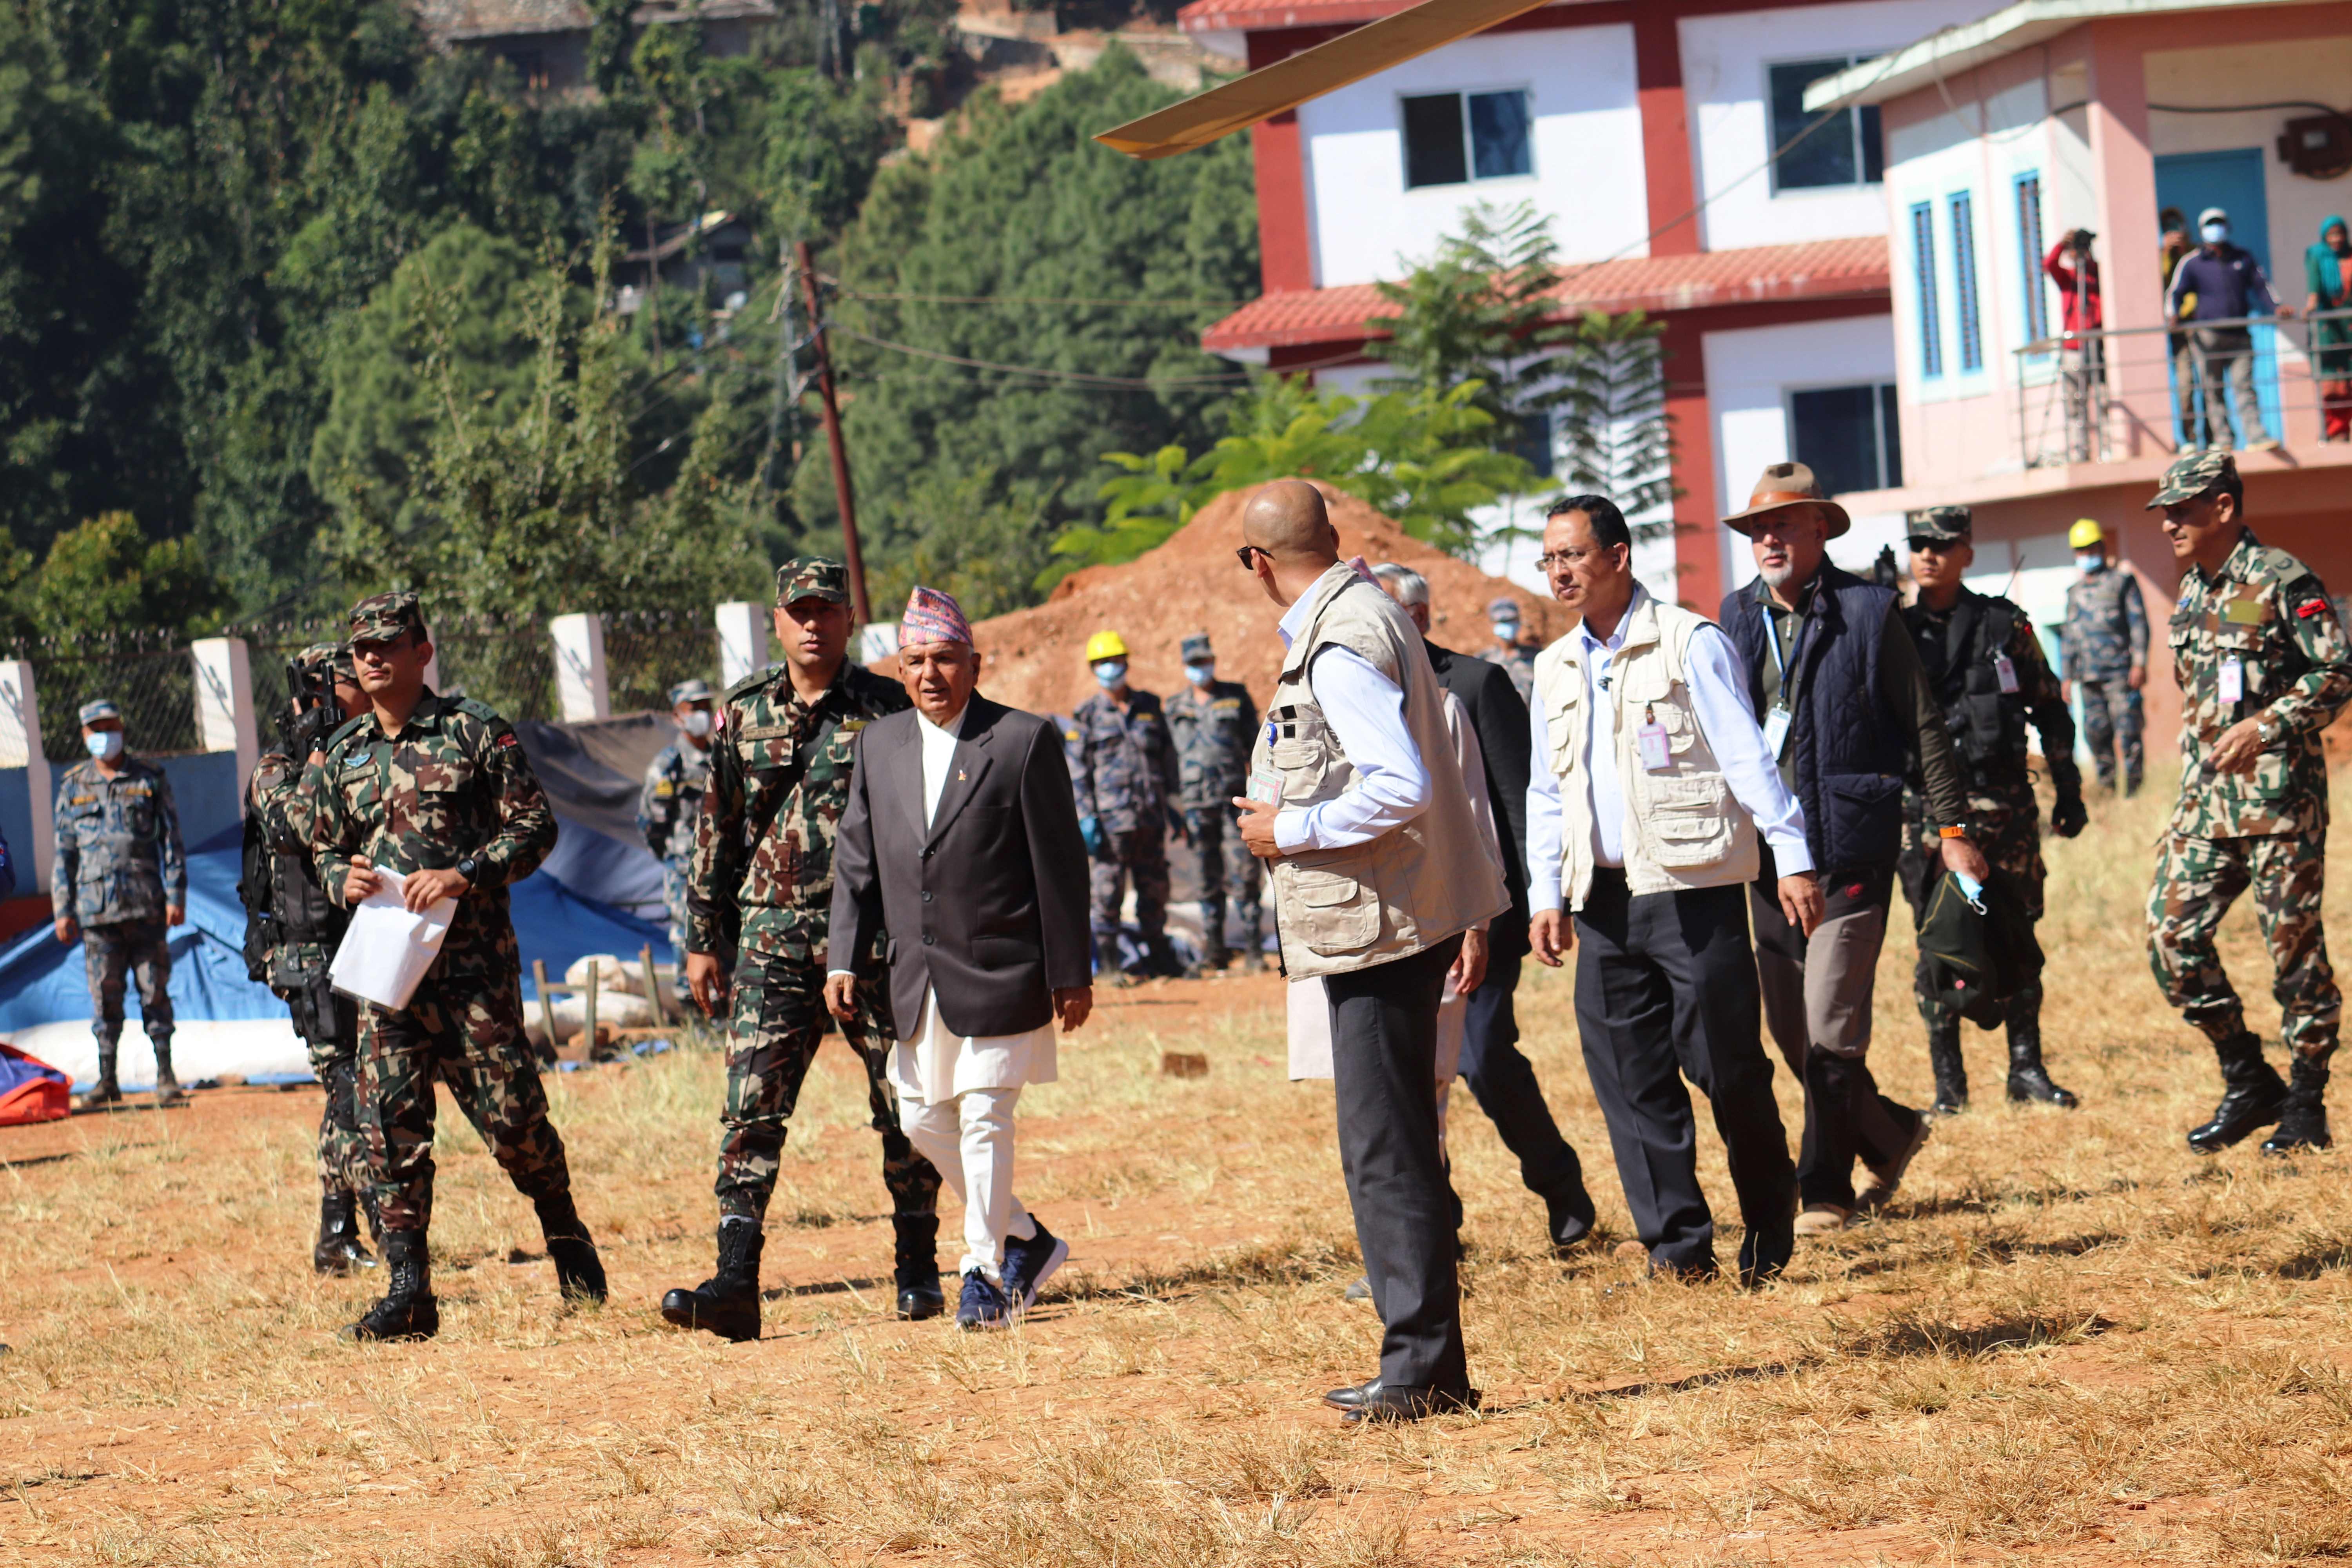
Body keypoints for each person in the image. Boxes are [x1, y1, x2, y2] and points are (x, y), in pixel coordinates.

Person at [1232, 481, 1506, 1424]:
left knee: (1386, 1154)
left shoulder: (1341, 639)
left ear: (1258, 565)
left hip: (1380, 928)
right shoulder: (1365, 614)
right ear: (1334, 538)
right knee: (1394, 1148)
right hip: (1391, 918)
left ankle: (1422, 1369)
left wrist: (1291, 827)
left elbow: (1400, 784)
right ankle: (1429, 1362)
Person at [1522, 495, 1816, 1283]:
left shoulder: (1690, 643)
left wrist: (1791, 853)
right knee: (1629, 1073)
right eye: (1550, 559)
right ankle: (1678, 1247)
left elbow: (1746, 754)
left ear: (1618, 556)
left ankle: (1768, 1216)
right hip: (1604, 901)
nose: (1560, 572)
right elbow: (1545, 791)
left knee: (1726, 1066)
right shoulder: (1553, 667)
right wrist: (1545, 892)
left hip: (1692, 890)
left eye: (1573, 555)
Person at [311, 591, 605, 1342]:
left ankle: (566, 1235)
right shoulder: (345, 755)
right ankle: (411, 1289)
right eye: (362, 649)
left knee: (513, 1121)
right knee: (390, 1128)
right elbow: (320, 847)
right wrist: (333, 878)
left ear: (423, 652)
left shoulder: (474, 731)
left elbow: (536, 828)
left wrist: (466, 873)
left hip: (471, 971)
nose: (372, 658)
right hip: (387, 977)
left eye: (389, 645)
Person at [665, 560, 944, 1341]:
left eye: (827, 610)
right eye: (799, 612)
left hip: (874, 941)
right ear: (777, 622)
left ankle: (916, 1266)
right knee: (750, 1109)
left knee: (905, 1102)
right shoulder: (743, 711)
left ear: (850, 618)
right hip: (772, 940)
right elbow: (715, 829)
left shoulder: (889, 709)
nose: (813, 624)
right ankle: (735, 1281)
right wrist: (700, 939)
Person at [1718, 463, 1985, 1237]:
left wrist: (1953, 830)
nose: (1769, 538)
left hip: (1851, 850)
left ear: (1819, 530)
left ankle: (1824, 1187)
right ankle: (1893, 1132)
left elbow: (1923, 722)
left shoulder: (1870, 613)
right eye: (1759, 528)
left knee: (1832, 1022)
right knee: (1792, 1032)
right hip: (1768, 860)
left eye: (1784, 525)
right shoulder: (1732, 620)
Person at [825, 587, 1094, 1332]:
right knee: (919, 1118)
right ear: (900, 670)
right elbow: (856, 863)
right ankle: (1028, 1238)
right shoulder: (879, 746)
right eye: (915, 661)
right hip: (915, 977)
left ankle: (981, 1270)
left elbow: (1061, 867)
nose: (931, 674)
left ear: (976, 663)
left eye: (946, 659)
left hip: (1003, 966)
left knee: (984, 1118)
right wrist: (841, 958)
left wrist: (1072, 971)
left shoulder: (1022, 740)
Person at [1370, 562, 1597, 1256]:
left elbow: (1522, 798)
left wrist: (1535, 903)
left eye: (1386, 615)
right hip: (1404, 919)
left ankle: (1561, 1185)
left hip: (1485, 914)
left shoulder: (1474, 683)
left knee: (1483, 1056)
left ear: (1418, 617)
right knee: (1406, 1077)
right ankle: (1437, 1231)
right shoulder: (1362, 693)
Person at [2145, 452, 2352, 1155]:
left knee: (2293, 956)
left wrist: (2266, 724)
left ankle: (2305, 1103)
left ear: (2224, 508)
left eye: (2181, 508)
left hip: (2279, 807)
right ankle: (2247, 1076)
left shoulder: (2283, 578)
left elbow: (2338, 669)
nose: (2168, 521)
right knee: (2171, 939)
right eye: (2165, 511)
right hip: (2207, 808)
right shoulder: (2195, 591)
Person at [1896, 507, 2088, 1116]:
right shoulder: (1890, 632)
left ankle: (2026, 1070)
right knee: (1938, 944)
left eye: (1943, 544)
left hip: (2006, 808)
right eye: (1920, 543)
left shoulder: (2004, 626)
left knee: (2018, 935)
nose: (1930, 554)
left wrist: (2070, 789)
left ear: (1967, 553)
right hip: (1927, 814)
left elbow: (2050, 709)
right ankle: (1949, 1090)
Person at [240, 643, 379, 1274]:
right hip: (310, 959)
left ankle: (336, 1235)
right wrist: (318, 756)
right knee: (350, 1092)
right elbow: (297, 828)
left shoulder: (362, 751)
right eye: (351, 682)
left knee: (356, 1092)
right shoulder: (277, 768)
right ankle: (380, 1229)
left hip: (365, 947)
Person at [53, 698, 186, 1110]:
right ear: (84, 735)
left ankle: (165, 1076)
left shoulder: (150, 778)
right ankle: (107, 1079)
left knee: (155, 993)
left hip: (147, 907)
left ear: (122, 727)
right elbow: (64, 853)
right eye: (95, 729)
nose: (103, 735)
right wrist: (63, 909)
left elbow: (172, 843)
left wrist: (177, 895)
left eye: (109, 726)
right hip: (96, 914)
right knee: (105, 999)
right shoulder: (73, 785)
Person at [1070, 631, 1183, 984]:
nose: (1111, 668)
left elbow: (1168, 759)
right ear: (1093, 669)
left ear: (1127, 663)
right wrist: (1086, 817)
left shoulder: (1150, 706)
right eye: (1103, 662)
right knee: (1107, 894)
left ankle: (1161, 962)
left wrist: (1176, 807)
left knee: (1155, 891)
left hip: (1150, 817)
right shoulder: (1086, 715)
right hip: (1110, 824)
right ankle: (1108, 967)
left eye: (1116, 660)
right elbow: (1077, 771)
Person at [1164, 633, 1263, 974]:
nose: (1201, 668)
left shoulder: (1235, 698)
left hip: (1234, 802)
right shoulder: (1174, 707)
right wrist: (1172, 807)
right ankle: (1215, 950)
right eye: (1194, 663)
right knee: (1205, 878)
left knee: (1245, 874)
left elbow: (1257, 749)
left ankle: (1253, 950)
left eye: (1205, 661)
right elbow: (1167, 761)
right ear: (1184, 666)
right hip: (1194, 806)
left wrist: (1261, 794)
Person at [2164, 206, 2292, 453]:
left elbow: (2262, 286)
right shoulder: (2192, 262)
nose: (2216, 228)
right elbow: (2175, 293)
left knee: (2244, 387)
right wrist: (2173, 315)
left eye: (2219, 223)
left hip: (2240, 336)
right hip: (2207, 338)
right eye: (2211, 224)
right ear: (2202, 231)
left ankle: (2255, 435)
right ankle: (2223, 440)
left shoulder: (2242, 258)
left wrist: (2277, 307)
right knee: (2213, 391)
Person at [2060, 519, 2149, 795]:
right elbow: (2069, 637)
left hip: (2120, 674)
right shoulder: (2073, 594)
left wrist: (2140, 662)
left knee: (2129, 731)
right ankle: (2107, 789)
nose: (2087, 555)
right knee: (2096, 735)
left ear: (2102, 547)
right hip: (2088, 678)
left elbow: (2139, 624)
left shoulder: (2122, 582)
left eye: (2091, 548)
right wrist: (2066, 677)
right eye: (2081, 550)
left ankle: (2134, 791)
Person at [638, 677, 716, 985]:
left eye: (707, 707)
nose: (703, 714)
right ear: (677, 715)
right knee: (688, 933)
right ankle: (692, 1006)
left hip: (723, 863)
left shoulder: (722, 757)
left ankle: (724, 1005)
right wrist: (674, 856)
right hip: (685, 867)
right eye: (694, 708)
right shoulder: (670, 764)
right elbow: (651, 820)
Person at [2044, 227, 2104, 457]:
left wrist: (2089, 260)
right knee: (2074, 403)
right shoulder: (2069, 278)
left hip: (2096, 346)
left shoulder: (2096, 275)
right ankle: (2079, 451)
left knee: (2102, 399)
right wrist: (2063, 243)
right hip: (2073, 348)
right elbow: (2050, 264)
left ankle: (2106, 448)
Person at [2307, 215, 2352, 442]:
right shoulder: (2318, 255)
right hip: (2329, 331)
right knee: (2334, 386)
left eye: (2340, 234)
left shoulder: (2350, 256)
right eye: (2332, 235)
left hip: (2350, 328)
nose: (2337, 239)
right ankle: (2336, 432)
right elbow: (2314, 289)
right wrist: (2311, 307)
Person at [2160, 206, 2199, 447]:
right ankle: (2190, 437)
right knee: (2185, 384)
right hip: (2178, 331)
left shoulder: (2196, 255)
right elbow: (2160, 284)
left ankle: (2215, 436)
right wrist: (2166, 253)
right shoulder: (2160, 256)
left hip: (2201, 325)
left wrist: (2185, 252)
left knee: (2209, 384)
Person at [1479, 596, 1537, 703]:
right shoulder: (1483, 660)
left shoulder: (1537, 657)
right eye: (1502, 621)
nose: (1507, 625)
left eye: (1511, 620)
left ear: (1519, 621)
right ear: (1492, 624)